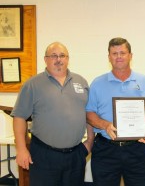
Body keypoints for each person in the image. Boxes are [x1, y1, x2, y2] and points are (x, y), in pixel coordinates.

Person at [11, 42, 94, 186]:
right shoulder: (32, 84)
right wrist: (21, 149)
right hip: (44, 155)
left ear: (68, 59)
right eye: (53, 56)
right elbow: (19, 117)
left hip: (76, 154)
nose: (58, 59)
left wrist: (90, 141)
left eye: (62, 55)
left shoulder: (81, 82)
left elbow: (89, 114)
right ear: (45, 59)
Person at [86, 37, 145, 186]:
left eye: (122, 53)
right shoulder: (97, 83)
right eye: (114, 53)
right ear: (109, 57)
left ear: (130, 56)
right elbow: (89, 114)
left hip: (137, 149)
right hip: (106, 149)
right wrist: (105, 125)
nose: (118, 57)